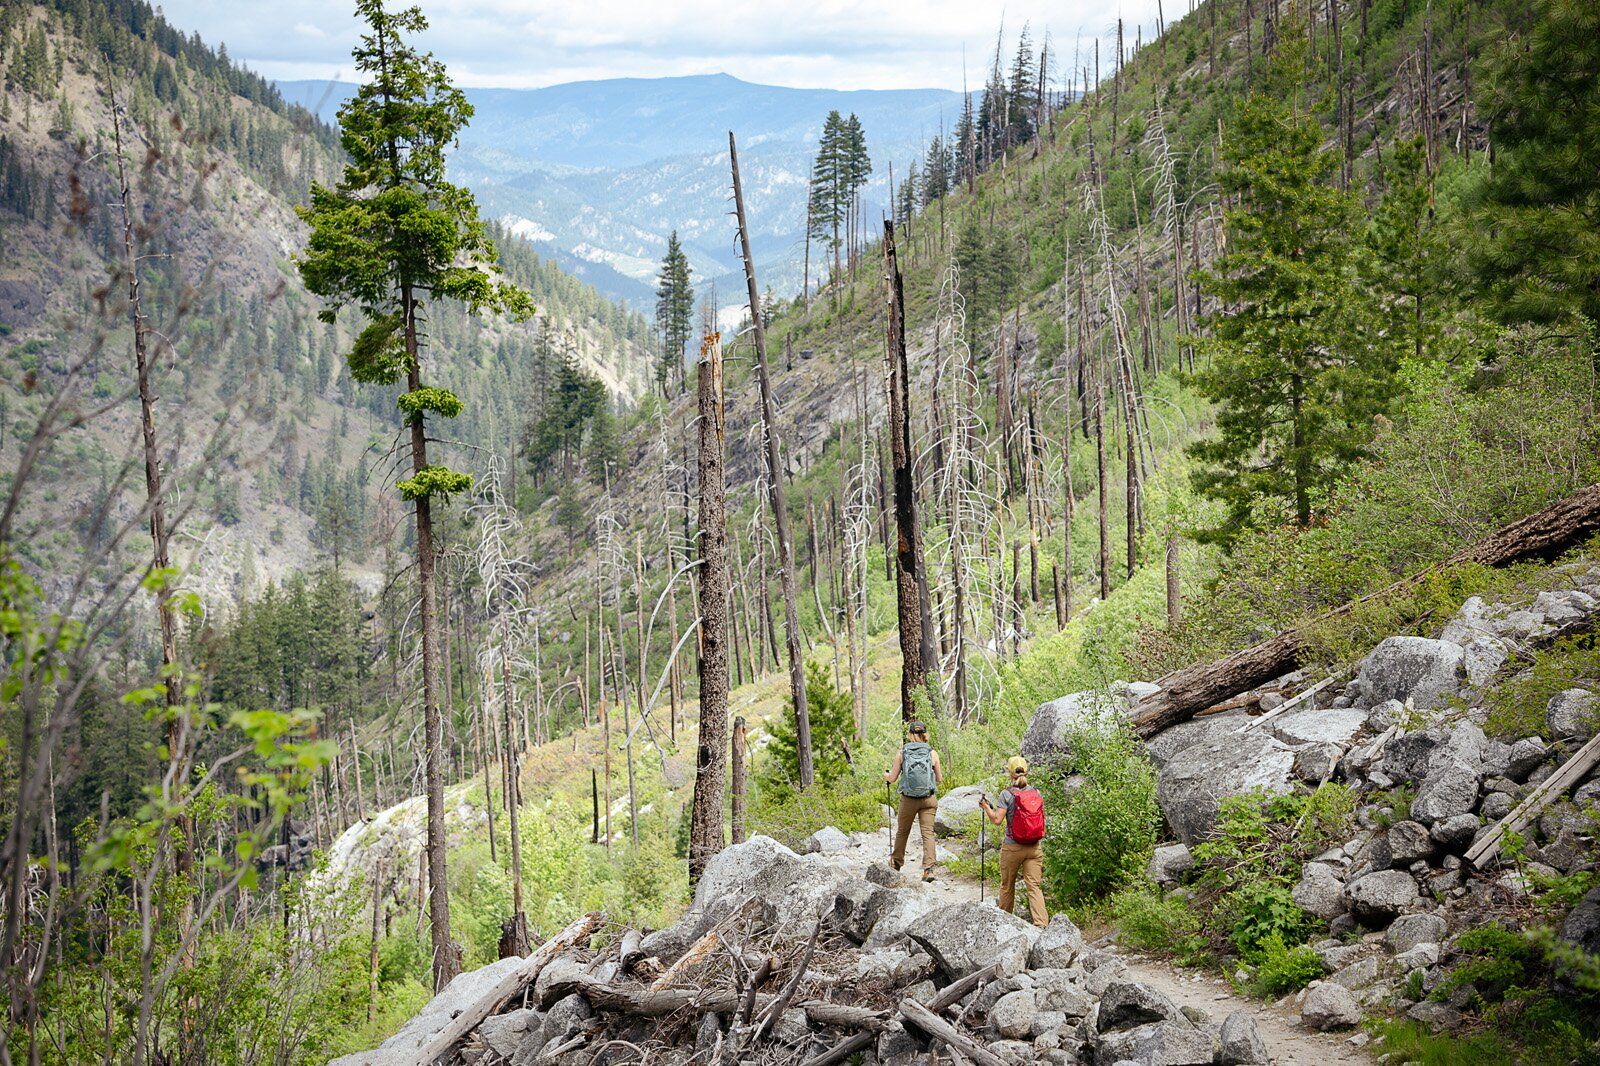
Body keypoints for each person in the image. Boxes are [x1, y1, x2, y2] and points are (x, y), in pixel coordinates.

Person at [979, 755, 1048, 927]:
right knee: (1034, 886)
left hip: (1013, 847)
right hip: (1034, 847)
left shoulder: (1007, 794)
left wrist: (986, 807)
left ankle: (1004, 924)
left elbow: (997, 820)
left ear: (1010, 773)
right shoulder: (1037, 793)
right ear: (1027, 772)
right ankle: (1041, 925)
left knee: (1007, 886)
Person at [884, 720, 944, 881]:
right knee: (928, 833)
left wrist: (886, 776)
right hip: (928, 799)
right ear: (925, 734)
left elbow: (892, 778)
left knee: (903, 831)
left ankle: (896, 864)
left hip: (908, 799)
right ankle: (929, 870)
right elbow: (939, 778)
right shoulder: (932, 753)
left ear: (910, 734)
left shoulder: (902, 753)